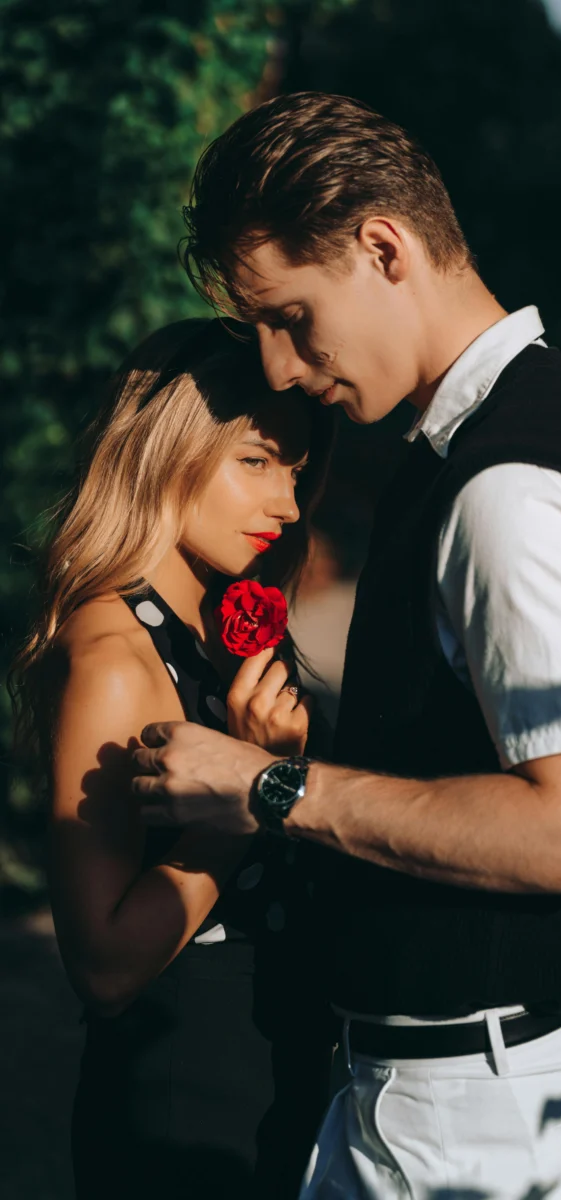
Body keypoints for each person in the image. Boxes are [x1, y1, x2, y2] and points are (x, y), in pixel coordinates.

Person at [133, 94, 561, 1199]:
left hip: (480, 1120)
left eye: (289, 316)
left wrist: (271, 786)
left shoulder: (511, 487)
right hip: (466, 1091)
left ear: (384, 247)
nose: (276, 370)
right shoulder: (476, 437)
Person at [9, 317, 336, 1200]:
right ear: (165, 454)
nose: (287, 505)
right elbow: (105, 965)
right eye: (257, 463)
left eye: (297, 472)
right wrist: (252, 797)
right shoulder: (115, 660)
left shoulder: (202, 620)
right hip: (188, 1098)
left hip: (274, 1067)